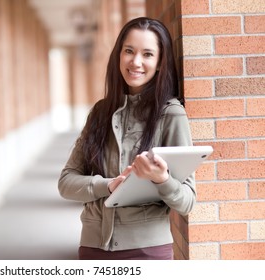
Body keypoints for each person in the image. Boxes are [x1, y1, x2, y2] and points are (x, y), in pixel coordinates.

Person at [58, 17, 195, 260]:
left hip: (147, 252)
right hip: (93, 248)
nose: (136, 62)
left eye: (148, 54)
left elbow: (187, 202)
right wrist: (109, 185)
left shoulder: (170, 113)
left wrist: (162, 179)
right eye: (129, 51)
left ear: (161, 62)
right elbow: (66, 182)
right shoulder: (100, 113)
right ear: (118, 55)